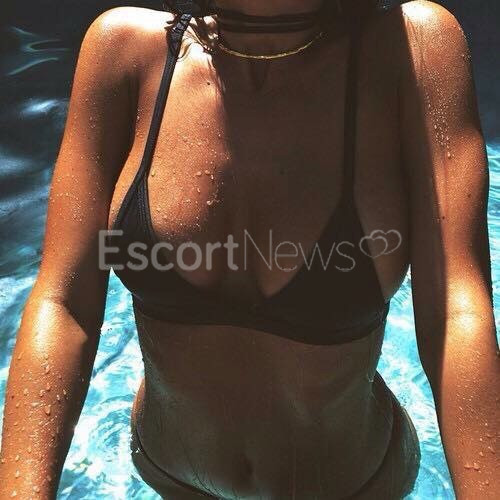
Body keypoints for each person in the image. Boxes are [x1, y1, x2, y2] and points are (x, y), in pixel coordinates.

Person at [1, 0, 498, 498]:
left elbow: (455, 314)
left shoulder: (413, 49)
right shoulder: (125, 51)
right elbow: (64, 303)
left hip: (354, 486)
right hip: (173, 474)